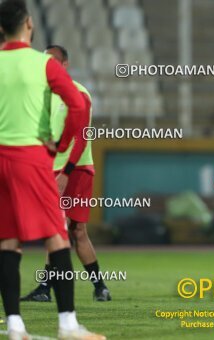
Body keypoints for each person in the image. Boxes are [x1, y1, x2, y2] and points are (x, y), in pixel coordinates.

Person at [0, 1, 105, 339]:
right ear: (28, 24)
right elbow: (76, 105)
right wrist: (58, 148)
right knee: (57, 238)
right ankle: (68, 324)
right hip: (31, 158)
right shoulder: (43, 64)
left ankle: (15, 324)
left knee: (8, 240)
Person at [21, 44, 111, 303]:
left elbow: (83, 137)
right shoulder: (43, 96)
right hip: (52, 171)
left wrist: (66, 173)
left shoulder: (79, 95)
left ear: (65, 65)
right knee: (62, 229)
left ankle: (58, 288)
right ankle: (94, 287)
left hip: (77, 170)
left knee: (75, 230)